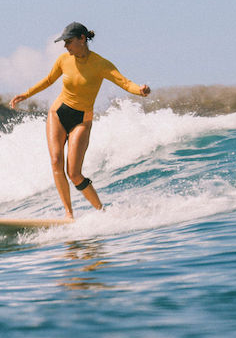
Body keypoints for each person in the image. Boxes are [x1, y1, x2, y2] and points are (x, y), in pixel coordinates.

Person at [9, 22, 151, 218]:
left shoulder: (101, 64)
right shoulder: (63, 60)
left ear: (82, 39)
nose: (66, 46)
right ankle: (69, 214)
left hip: (82, 119)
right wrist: (26, 94)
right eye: (65, 43)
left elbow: (125, 83)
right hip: (58, 113)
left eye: (69, 42)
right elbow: (49, 80)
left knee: (74, 173)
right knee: (56, 161)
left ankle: (102, 212)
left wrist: (140, 91)